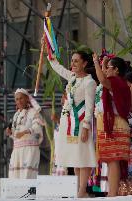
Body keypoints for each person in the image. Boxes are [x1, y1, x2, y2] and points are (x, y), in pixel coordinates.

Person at [47, 50, 97, 198]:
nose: (73, 64)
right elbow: (58, 68)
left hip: (81, 124)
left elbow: (89, 106)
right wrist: (49, 53)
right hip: (68, 123)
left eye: (76, 61)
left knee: (84, 155)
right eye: (72, 61)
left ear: (84, 63)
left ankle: (83, 190)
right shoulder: (72, 78)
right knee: (76, 157)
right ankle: (78, 189)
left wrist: (86, 127)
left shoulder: (89, 82)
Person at [93, 53, 131, 197]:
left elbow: (102, 79)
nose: (106, 70)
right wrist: (103, 64)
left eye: (108, 68)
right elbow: (103, 76)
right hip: (109, 123)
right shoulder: (117, 82)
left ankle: (113, 193)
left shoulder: (116, 81)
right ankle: (112, 192)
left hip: (114, 124)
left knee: (113, 159)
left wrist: (96, 62)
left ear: (116, 70)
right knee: (110, 161)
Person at [6, 88, 43, 179]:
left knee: (27, 176)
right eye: (17, 99)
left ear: (27, 99)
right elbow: (15, 135)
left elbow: (38, 126)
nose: (19, 101)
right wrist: (10, 133)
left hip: (29, 149)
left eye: (21, 98)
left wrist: (24, 132)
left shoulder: (34, 112)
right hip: (17, 150)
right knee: (15, 176)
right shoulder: (16, 115)